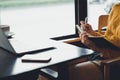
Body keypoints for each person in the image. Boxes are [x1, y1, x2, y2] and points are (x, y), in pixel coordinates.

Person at [69, 2, 120, 80]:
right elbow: (109, 38)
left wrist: (96, 48)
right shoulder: (117, 8)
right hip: (102, 54)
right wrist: (92, 33)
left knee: (75, 71)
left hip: (114, 62)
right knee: (62, 65)